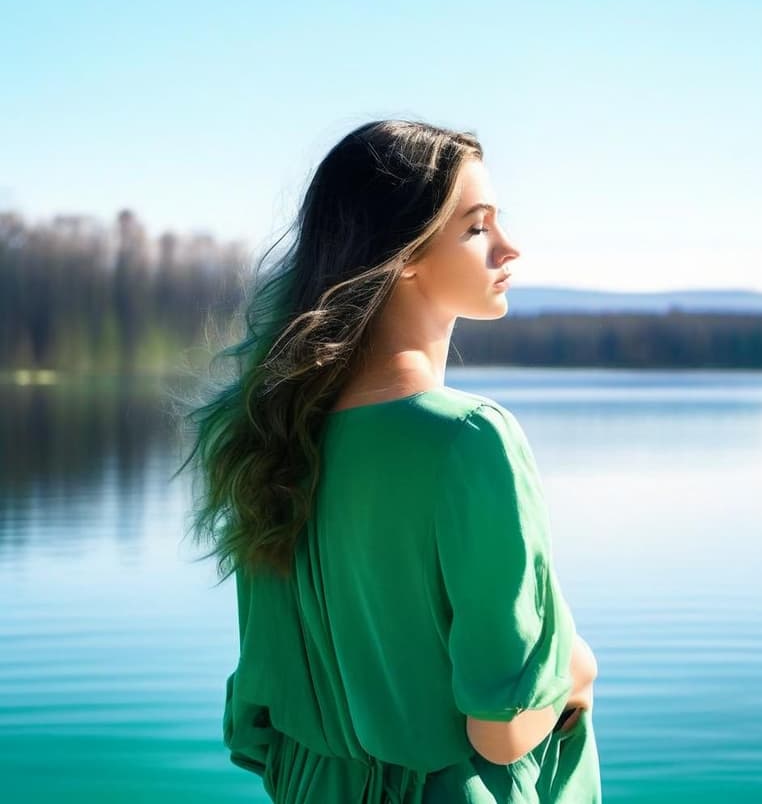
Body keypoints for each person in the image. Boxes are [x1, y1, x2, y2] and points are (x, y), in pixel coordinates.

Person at [176, 119, 602, 801]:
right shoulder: (471, 439)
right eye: (476, 227)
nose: (509, 247)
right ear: (403, 253)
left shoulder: (272, 435)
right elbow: (503, 728)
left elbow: (259, 724)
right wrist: (576, 674)